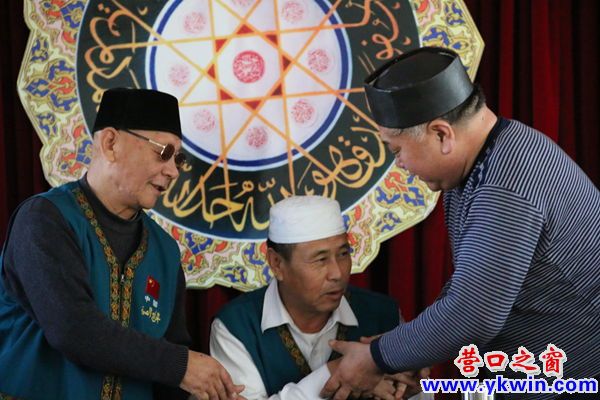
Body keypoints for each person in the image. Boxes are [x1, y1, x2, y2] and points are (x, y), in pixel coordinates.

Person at [321, 46, 600, 400]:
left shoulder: (507, 184)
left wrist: (376, 359)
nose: (400, 165)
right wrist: (407, 350)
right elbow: (471, 284)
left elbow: (473, 313)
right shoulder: (486, 159)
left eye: (397, 150)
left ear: (442, 134)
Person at [0, 88, 243, 400]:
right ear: (110, 144)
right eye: (163, 152)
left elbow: (170, 373)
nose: (172, 171)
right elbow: (73, 329)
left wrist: (208, 394)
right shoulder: (46, 219)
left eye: (178, 159)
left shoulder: (164, 251)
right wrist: (180, 365)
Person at [210, 195, 431, 400]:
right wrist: (336, 373)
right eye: (320, 260)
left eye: (343, 254)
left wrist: (413, 390)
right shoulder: (236, 327)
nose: (337, 273)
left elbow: (421, 391)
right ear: (277, 264)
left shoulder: (383, 315)